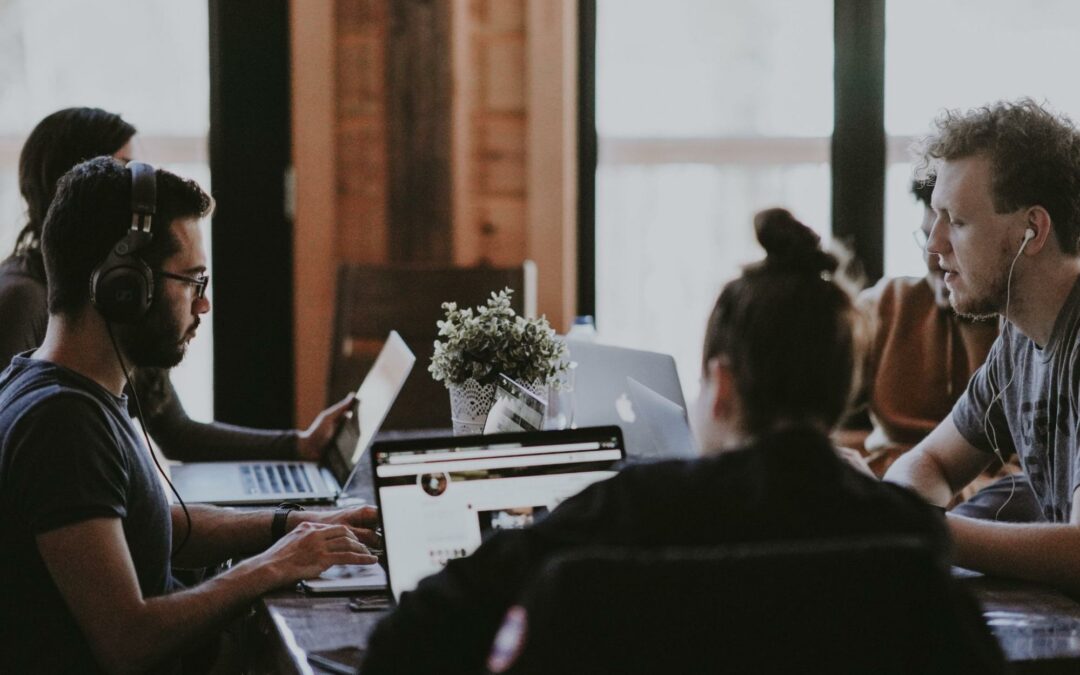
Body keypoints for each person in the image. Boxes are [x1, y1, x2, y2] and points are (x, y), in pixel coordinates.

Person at [361, 209, 952, 673]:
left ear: (720, 386)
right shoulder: (908, 534)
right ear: (843, 386)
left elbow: (403, 640)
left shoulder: (627, 511)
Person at [0, 157, 381, 673]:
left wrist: (296, 525)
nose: (203, 306)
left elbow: (158, 524)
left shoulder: (65, 389)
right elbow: (128, 642)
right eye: (194, 281)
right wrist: (275, 565)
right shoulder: (63, 424)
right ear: (124, 287)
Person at [0, 107, 349, 463]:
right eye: (123, 170)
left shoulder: (131, 294)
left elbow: (178, 433)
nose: (142, 195)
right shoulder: (23, 299)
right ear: (76, 182)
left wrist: (299, 444)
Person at [884, 99, 1080, 591]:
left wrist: (923, 529)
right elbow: (928, 461)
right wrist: (905, 514)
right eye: (936, 218)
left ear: (1032, 230)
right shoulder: (1018, 338)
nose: (933, 246)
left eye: (958, 221)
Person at [846, 177, 1042, 522]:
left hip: (987, 504)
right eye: (926, 236)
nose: (933, 255)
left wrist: (916, 515)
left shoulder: (1025, 332)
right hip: (905, 488)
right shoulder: (886, 304)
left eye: (957, 234)